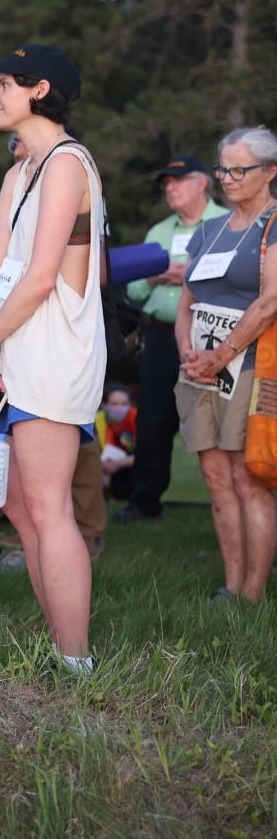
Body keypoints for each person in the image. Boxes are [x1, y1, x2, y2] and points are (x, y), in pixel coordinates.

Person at [0, 44, 105, 672]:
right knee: (19, 505)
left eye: (3, 85)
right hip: (14, 348)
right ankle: (60, 642)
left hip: (55, 351)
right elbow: (0, 272)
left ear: (39, 89)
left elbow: (42, 277)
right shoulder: (18, 172)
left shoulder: (69, 164)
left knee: (49, 507)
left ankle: (76, 661)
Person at [173, 126, 277, 603]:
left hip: (249, 364)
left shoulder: (273, 224)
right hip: (200, 369)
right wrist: (189, 357)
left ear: (270, 172)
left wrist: (221, 355)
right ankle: (230, 585)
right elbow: (186, 301)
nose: (228, 178)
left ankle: (253, 593)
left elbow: (270, 302)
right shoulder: (209, 230)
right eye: (223, 169)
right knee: (216, 479)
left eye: (240, 169)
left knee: (246, 477)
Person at [116, 155, 228, 522]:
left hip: (213, 335)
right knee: (153, 419)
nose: (170, 188)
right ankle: (145, 502)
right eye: (166, 183)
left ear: (202, 183)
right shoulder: (159, 231)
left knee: (219, 420)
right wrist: (152, 277)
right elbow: (133, 291)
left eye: (178, 180)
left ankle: (228, 501)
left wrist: (190, 276)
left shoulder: (228, 224)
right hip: (162, 336)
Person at [98, 383, 137, 500]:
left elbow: (145, 455)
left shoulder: (137, 419)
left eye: (124, 404)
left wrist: (117, 464)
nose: (119, 408)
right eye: (114, 404)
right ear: (103, 405)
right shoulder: (96, 422)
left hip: (128, 467)